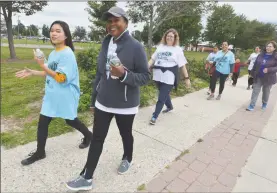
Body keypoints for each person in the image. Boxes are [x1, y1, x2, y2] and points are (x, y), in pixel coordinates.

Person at [66, 6, 150, 191]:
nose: (112, 24)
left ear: (125, 22)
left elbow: (145, 76)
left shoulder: (136, 46)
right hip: (103, 101)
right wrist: (93, 100)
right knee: (97, 138)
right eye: (109, 21)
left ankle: (127, 158)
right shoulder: (106, 42)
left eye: (116, 20)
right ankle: (87, 177)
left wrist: (124, 75)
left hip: (125, 104)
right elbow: (100, 73)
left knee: (125, 134)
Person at [15, 20, 93, 166]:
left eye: (58, 31)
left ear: (65, 35)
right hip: (52, 95)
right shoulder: (53, 53)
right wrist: (33, 72)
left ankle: (89, 135)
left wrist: (42, 65)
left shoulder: (67, 54)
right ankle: (40, 152)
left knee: (70, 120)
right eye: (52, 30)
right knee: (43, 122)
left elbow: (62, 78)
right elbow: (50, 73)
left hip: (65, 95)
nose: (54, 33)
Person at [148, 28, 191, 125]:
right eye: (168, 36)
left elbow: (182, 65)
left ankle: (154, 116)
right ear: (165, 37)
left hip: (169, 76)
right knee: (164, 93)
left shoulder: (177, 50)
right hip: (157, 75)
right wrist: (145, 67)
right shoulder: (160, 47)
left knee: (161, 97)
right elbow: (152, 59)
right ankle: (170, 106)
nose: (169, 37)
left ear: (175, 38)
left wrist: (187, 78)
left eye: (172, 36)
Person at [246, 41, 277, 111]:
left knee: (266, 92)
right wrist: (252, 74)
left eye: (270, 46)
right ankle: (252, 105)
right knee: (255, 91)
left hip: (269, 78)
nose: (268, 47)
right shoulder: (261, 55)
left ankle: (264, 103)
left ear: (274, 48)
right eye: (267, 46)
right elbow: (255, 64)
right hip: (258, 76)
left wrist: (269, 69)